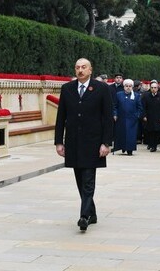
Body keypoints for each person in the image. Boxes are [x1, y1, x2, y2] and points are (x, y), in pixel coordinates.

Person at [54, 58, 113, 231]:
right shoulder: (67, 89)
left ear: (90, 70)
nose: (80, 70)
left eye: (83, 67)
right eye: (77, 67)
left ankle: (84, 216)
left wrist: (106, 143)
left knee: (88, 179)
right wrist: (59, 141)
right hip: (73, 142)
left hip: (93, 142)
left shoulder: (101, 88)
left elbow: (107, 118)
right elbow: (61, 117)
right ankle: (92, 213)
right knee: (79, 179)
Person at [113, 79, 143, 155]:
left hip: (132, 119)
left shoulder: (136, 96)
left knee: (131, 135)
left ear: (132, 87)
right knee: (122, 134)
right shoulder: (119, 94)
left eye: (130, 86)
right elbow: (115, 106)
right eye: (126, 86)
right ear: (124, 87)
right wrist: (115, 114)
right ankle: (122, 147)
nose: (128, 88)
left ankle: (130, 149)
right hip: (121, 118)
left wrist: (137, 115)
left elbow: (140, 107)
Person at [141, 81, 160, 152]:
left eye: (155, 88)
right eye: (152, 88)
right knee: (151, 132)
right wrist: (144, 116)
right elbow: (143, 107)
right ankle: (153, 146)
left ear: (157, 88)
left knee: (159, 132)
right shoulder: (146, 96)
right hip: (150, 117)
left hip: (159, 117)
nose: (153, 89)